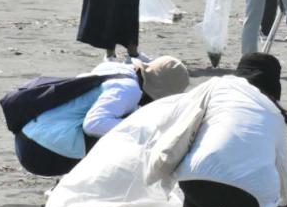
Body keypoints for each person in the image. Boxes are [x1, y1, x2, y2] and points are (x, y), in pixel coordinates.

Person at [172, 53, 287, 207]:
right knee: (250, 191)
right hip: (246, 192)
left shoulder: (217, 87)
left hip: (196, 181)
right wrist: (284, 202)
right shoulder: (274, 114)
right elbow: (283, 166)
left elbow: (182, 118)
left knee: (200, 178)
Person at [15, 56, 189, 177]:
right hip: (44, 152)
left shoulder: (115, 69)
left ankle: (70, 185)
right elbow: (94, 124)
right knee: (132, 138)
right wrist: (143, 129)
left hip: (28, 137)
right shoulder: (128, 89)